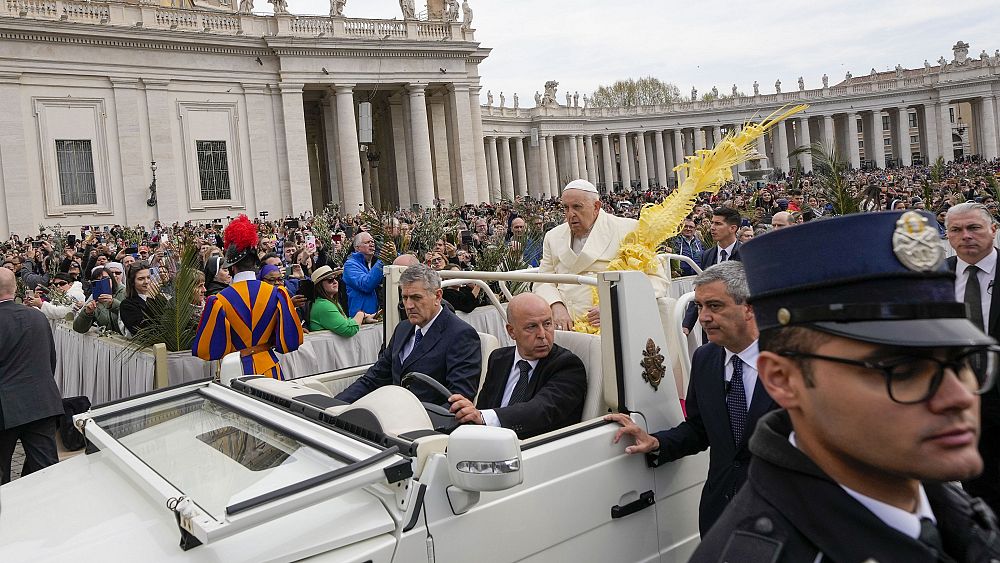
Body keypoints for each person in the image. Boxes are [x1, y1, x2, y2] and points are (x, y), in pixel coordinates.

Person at [687, 210, 1000, 561]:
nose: (958, 396)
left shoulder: (950, 509)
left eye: (963, 362)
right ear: (783, 380)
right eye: (901, 371)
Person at [607, 262, 777, 535]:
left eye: (715, 306)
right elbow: (700, 429)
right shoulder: (705, 359)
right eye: (699, 307)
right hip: (721, 514)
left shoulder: (793, 360)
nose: (704, 317)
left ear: (749, 307)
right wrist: (657, 442)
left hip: (784, 518)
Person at [335, 264, 481, 405]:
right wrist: (333, 406)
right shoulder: (403, 329)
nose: (409, 306)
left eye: (416, 298)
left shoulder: (461, 335)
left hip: (428, 425)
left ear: (437, 296)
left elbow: (458, 401)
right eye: (405, 298)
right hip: (393, 415)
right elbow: (374, 378)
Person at [449, 293, 587, 439]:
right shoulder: (499, 358)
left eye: (547, 324)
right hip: (488, 444)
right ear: (511, 331)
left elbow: (541, 410)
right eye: (531, 327)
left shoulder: (568, 366)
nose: (542, 334)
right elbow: (484, 407)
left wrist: (482, 416)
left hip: (535, 451)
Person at [535, 179, 667, 330]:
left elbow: (656, 280)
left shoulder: (628, 229)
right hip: (565, 326)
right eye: (566, 207)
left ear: (596, 207)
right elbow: (543, 280)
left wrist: (616, 306)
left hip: (616, 324)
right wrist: (556, 305)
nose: (570, 214)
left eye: (577, 207)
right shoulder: (553, 236)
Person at [192, 215, 304, 380]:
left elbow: (207, 350)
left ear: (232, 268)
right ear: (255, 264)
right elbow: (291, 341)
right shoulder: (278, 293)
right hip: (270, 370)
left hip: (235, 371)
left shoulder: (219, 300)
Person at [945, 202, 1000, 515]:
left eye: (974, 228)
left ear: (993, 230)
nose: (965, 236)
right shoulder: (937, 277)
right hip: (964, 400)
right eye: (956, 230)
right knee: (978, 488)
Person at [0, 267, 64, 484]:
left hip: (5, 409)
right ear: (16, 288)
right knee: (46, 473)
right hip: (41, 403)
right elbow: (50, 360)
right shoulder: (37, 317)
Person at [682, 206, 743, 335]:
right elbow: (700, 290)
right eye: (712, 223)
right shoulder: (707, 255)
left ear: (733, 228)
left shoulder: (746, 254)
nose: (712, 227)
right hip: (711, 327)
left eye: (718, 224)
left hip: (737, 327)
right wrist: (686, 326)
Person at [309, 265, 376, 337]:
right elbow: (349, 330)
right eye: (330, 280)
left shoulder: (328, 302)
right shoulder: (323, 305)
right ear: (319, 285)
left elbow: (345, 322)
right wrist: (361, 314)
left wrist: (363, 320)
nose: (335, 282)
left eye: (336, 278)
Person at [343, 232, 388, 316]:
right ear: (357, 248)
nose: (372, 244)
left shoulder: (375, 261)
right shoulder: (350, 265)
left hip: (376, 315)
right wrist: (384, 259)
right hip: (360, 319)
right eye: (367, 242)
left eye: (372, 242)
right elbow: (366, 284)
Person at [119, 262, 156, 336]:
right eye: (141, 279)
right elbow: (141, 330)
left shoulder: (160, 298)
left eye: (148, 277)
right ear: (132, 282)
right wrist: (150, 299)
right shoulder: (127, 305)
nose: (146, 282)